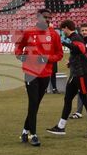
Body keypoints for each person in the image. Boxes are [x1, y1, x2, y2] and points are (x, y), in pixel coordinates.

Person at [16, 9, 64, 147]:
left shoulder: (54, 34)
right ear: (38, 18)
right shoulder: (29, 32)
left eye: (49, 17)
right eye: (45, 17)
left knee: (35, 104)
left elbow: (59, 54)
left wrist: (47, 58)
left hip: (46, 74)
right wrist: (21, 56)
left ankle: (25, 130)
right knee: (33, 103)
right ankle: (33, 135)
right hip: (30, 73)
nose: (48, 20)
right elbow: (19, 47)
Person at [46, 20, 87, 138]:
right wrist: (71, 62)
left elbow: (80, 49)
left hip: (82, 75)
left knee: (86, 100)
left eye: (62, 30)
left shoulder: (76, 37)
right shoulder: (75, 38)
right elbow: (78, 54)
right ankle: (61, 127)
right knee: (67, 99)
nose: (62, 32)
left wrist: (64, 43)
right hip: (75, 74)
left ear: (66, 28)